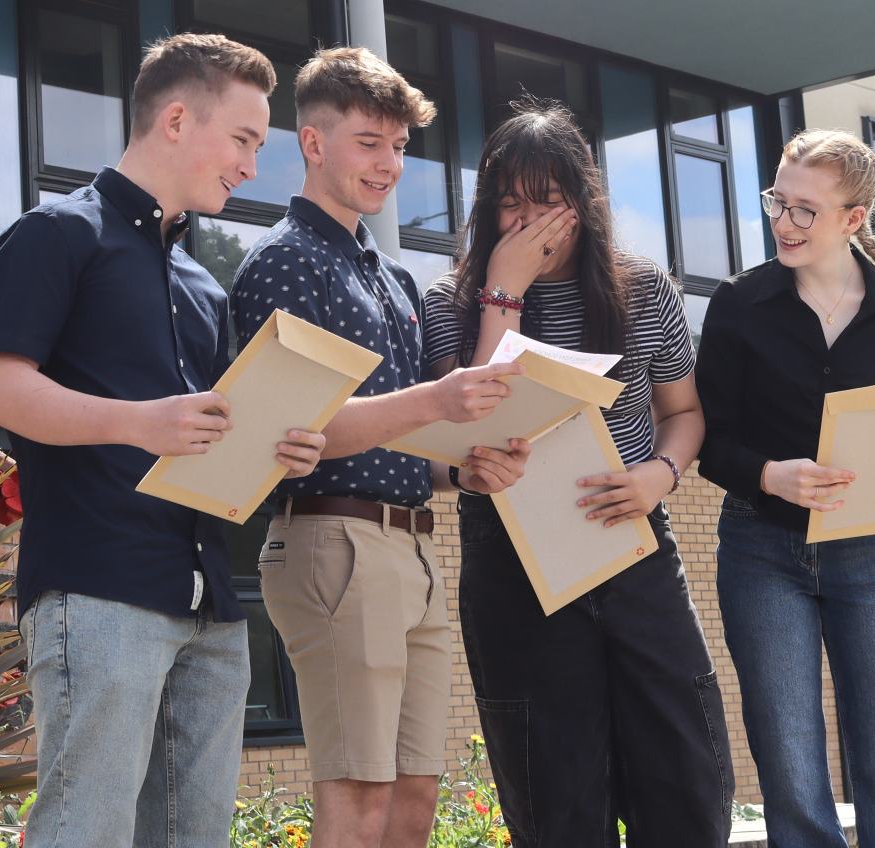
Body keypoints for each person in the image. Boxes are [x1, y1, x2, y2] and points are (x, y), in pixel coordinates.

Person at [0, 34, 327, 848]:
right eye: (242, 140)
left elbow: (213, 428)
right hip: (98, 589)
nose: (249, 166)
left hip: (210, 603)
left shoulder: (204, 283)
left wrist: (279, 448)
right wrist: (138, 420)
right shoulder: (56, 234)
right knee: (83, 831)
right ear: (174, 119)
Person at [230, 47, 529, 848]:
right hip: (335, 540)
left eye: (399, 147)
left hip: (413, 547)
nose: (389, 164)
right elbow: (295, 432)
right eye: (369, 142)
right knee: (360, 796)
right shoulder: (284, 261)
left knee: (413, 801)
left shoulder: (392, 277)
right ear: (314, 143)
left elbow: (402, 434)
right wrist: (437, 400)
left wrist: (460, 465)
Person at [421, 100, 734, 848]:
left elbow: (685, 413)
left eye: (548, 202)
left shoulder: (642, 288)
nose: (529, 223)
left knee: (685, 774)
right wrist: (505, 291)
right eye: (511, 204)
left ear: (582, 202)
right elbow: (477, 425)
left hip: (631, 546)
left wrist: (660, 475)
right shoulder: (447, 302)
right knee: (554, 799)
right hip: (514, 559)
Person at [695, 128, 875, 848]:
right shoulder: (737, 304)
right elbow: (709, 440)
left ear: (852, 219)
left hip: (872, 553)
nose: (784, 222)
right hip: (761, 551)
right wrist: (768, 474)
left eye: (805, 210)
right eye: (777, 202)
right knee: (790, 775)